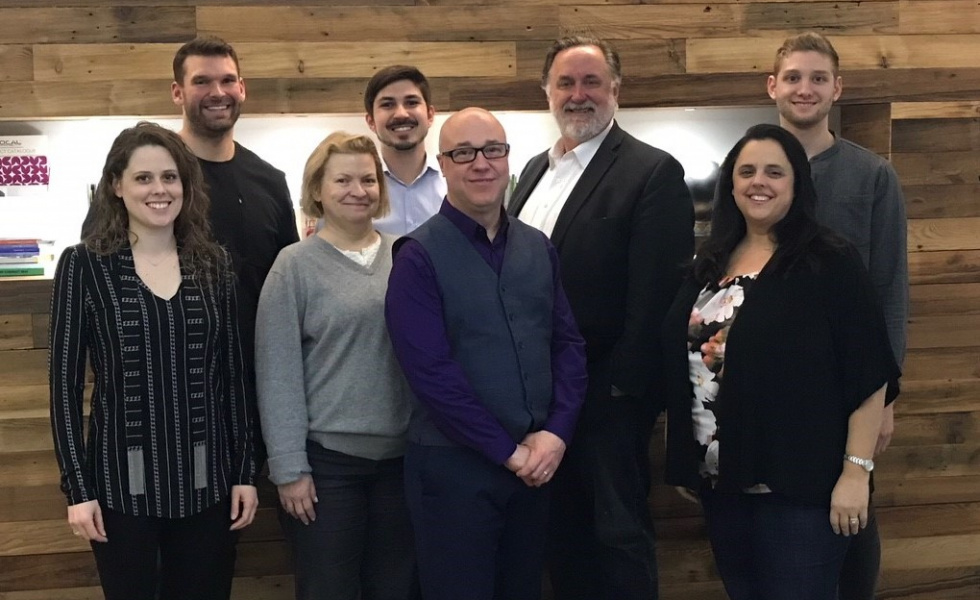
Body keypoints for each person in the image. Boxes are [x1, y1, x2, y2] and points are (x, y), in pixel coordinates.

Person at [662, 123, 901, 599]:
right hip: (723, 486)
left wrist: (857, 472)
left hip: (802, 491)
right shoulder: (711, 263)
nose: (759, 182)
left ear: (796, 184)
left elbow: (870, 373)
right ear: (731, 183)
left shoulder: (828, 261)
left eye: (775, 171)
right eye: (746, 171)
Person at [507, 36, 694, 599]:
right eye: (566, 83)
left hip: (606, 400)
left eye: (591, 82)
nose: (578, 94)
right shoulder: (535, 170)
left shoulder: (651, 172)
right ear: (547, 92)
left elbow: (657, 298)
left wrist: (624, 396)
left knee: (616, 539)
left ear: (616, 89)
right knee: (559, 539)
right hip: (536, 399)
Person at [385, 107, 588, 600]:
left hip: (535, 469)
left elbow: (567, 346)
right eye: (464, 153)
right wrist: (509, 453)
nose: (481, 164)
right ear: (444, 164)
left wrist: (557, 434)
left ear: (507, 160)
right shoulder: (416, 257)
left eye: (492, 150)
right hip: (453, 473)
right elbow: (431, 374)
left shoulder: (538, 247)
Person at [49, 122, 258, 600]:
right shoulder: (84, 266)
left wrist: (245, 472)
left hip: (209, 483)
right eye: (143, 178)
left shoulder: (213, 264)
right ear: (117, 186)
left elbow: (232, 377)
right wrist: (77, 489)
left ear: (186, 186)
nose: (159, 190)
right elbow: (63, 386)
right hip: (119, 489)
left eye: (170, 177)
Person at [766, 32, 909, 599]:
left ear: (837, 89)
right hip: (769, 380)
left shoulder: (873, 176)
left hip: (850, 385)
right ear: (772, 85)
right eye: (794, 77)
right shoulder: (750, 170)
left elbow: (891, 289)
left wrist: (888, 397)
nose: (805, 89)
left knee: (850, 516)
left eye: (818, 78)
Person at [255, 132, 418, 600]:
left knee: (397, 588)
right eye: (342, 179)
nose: (357, 190)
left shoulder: (406, 254)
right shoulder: (294, 266)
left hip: (402, 461)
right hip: (327, 468)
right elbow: (277, 372)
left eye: (368, 179)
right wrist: (289, 468)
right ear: (318, 190)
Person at [170, 36, 300, 464]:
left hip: (254, 395)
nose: (217, 92)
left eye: (228, 80)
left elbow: (288, 289)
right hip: (170, 394)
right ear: (178, 93)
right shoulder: (149, 179)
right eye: (201, 81)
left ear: (242, 89)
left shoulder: (269, 180)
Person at [365, 65, 446, 235]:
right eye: (387, 105)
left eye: (411, 102)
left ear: (430, 115)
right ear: (371, 121)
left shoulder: (454, 183)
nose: (401, 114)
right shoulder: (353, 194)